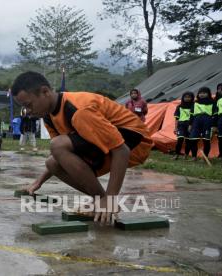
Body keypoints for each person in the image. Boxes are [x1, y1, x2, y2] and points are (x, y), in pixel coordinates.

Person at [11, 71, 153, 225]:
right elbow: (60, 156)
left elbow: (121, 150)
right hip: (109, 144)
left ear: (45, 91)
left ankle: (106, 202)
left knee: (57, 146)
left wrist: (111, 198)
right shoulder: (49, 116)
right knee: (52, 163)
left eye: (28, 105)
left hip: (136, 141)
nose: (28, 111)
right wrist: (38, 182)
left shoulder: (79, 110)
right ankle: (100, 201)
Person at [188, 87, 216, 161]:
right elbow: (191, 115)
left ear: (208, 94)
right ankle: (194, 156)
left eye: (204, 93)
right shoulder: (195, 103)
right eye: (200, 93)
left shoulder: (213, 102)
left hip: (207, 122)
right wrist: (190, 125)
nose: (202, 94)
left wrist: (214, 126)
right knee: (193, 139)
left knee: (206, 140)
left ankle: (205, 157)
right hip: (196, 122)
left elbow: (215, 115)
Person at [172, 92, 195, 160]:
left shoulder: (193, 106)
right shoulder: (179, 106)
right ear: (183, 98)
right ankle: (176, 155)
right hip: (181, 125)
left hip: (189, 125)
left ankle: (186, 155)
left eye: (189, 97)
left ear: (192, 98)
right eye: (185, 97)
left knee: (188, 141)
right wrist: (175, 128)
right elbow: (177, 118)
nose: (187, 98)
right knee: (180, 139)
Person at [215, 83, 222, 158]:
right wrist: (214, 125)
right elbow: (215, 114)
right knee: (220, 137)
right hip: (220, 119)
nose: (220, 90)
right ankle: (221, 154)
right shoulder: (217, 100)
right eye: (219, 88)